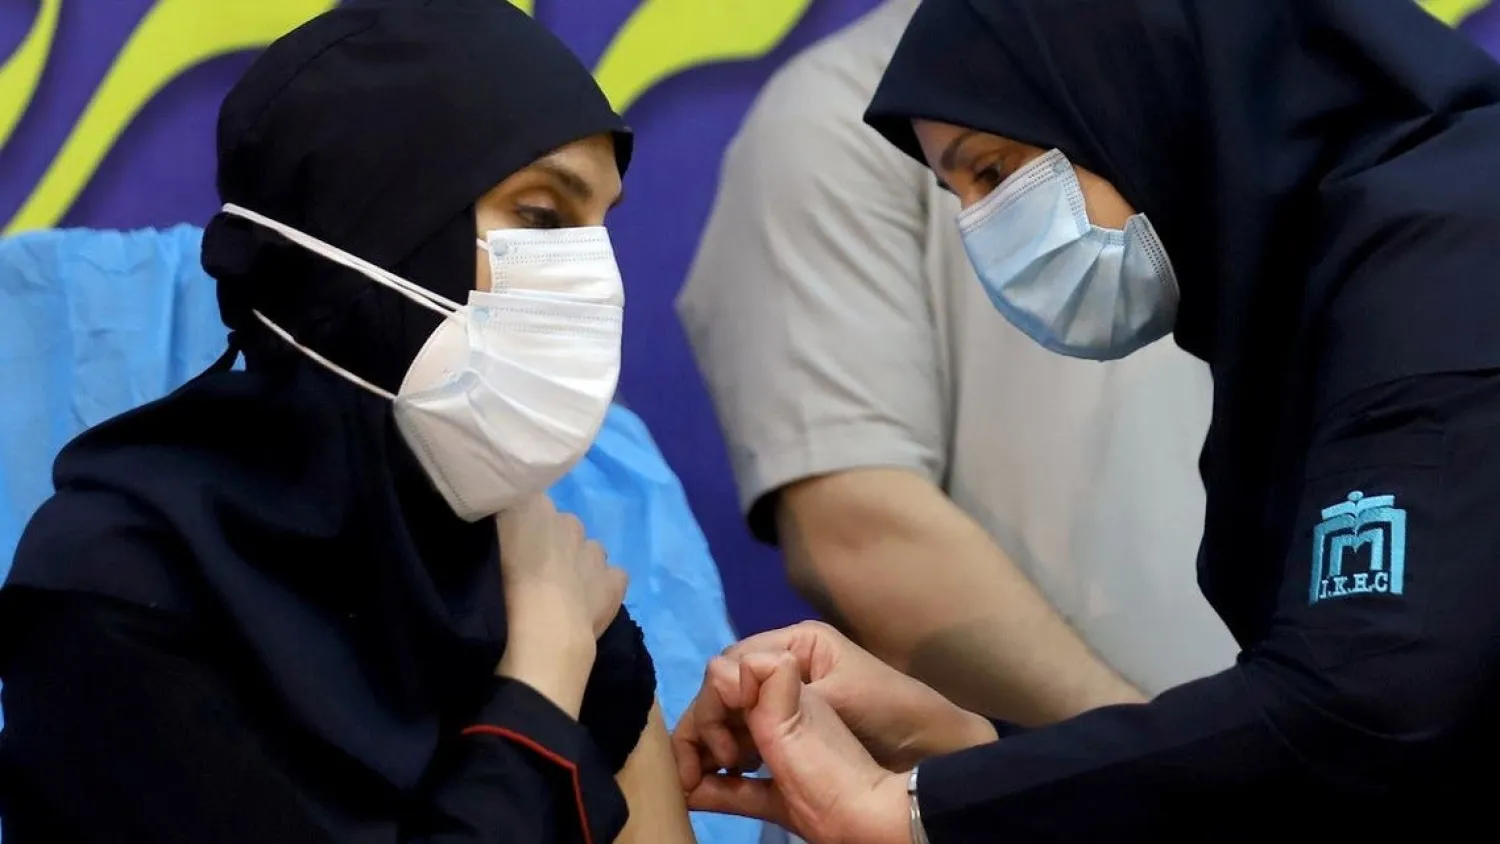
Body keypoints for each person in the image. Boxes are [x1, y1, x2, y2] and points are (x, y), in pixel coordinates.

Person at [673, 0, 1500, 840]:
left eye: (993, 175)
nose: (981, 234)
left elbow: (1370, 707)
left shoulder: (1444, 255)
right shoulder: (1326, 282)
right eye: (955, 194)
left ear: (1133, 87)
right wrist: (963, 748)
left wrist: (919, 813)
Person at [0, 2, 694, 842]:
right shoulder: (124, 584)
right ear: (380, 225)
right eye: (543, 217)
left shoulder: (514, 561)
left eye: (600, 230)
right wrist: (541, 686)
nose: (595, 282)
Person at [676, 0, 1234, 729]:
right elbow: (858, 530)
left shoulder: (1221, 49)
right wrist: (1161, 770)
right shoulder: (837, 115)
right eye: (983, 173)